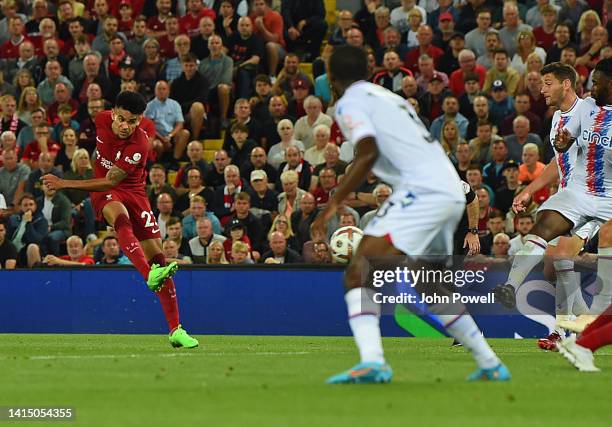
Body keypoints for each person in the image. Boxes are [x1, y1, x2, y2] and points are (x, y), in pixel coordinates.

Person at [311, 45, 509, 384]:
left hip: (424, 189)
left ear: (332, 78)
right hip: (450, 188)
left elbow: (367, 151)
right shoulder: (386, 95)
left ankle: (373, 362)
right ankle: (490, 363)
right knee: (427, 282)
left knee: (359, 271)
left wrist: (332, 204)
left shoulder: (349, 103)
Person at [41, 91, 198, 348]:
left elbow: (114, 178)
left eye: (134, 121)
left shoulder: (140, 143)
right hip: (106, 192)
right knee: (120, 219)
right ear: (113, 113)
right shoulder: (101, 120)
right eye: (123, 119)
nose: (127, 126)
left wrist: (63, 183)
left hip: (134, 192)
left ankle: (176, 330)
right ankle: (149, 274)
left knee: (159, 258)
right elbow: (105, 177)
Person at [493, 62, 594, 312]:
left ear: (567, 84)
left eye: (548, 84)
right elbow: (557, 163)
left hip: (593, 199)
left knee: (558, 257)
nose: (542, 90)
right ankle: (585, 327)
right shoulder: (558, 118)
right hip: (569, 197)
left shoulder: (590, 112)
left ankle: (512, 288)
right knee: (554, 268)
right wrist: (528, 190)